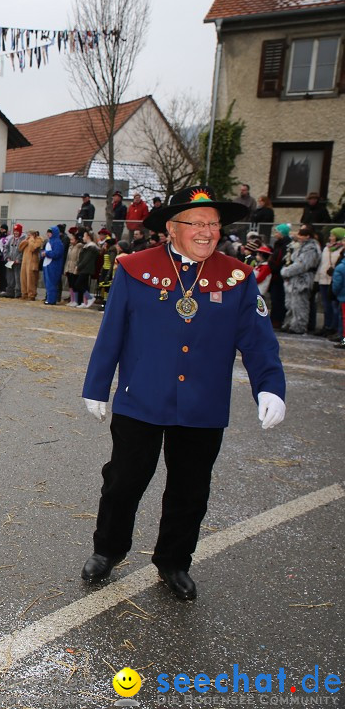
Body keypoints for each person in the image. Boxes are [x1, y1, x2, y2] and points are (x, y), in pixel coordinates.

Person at [80, 185, 286, 601]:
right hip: (142, 397)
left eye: (213, 223)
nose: (208, 231)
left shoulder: (238, 276)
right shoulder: (135, 268)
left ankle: (174, 561)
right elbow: (112, 332)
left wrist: (270, 388)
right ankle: (108, 549)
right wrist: (97, 385)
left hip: (203, 405)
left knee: (190, 489)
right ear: (172, 229)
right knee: (123, 481)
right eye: (198, 223)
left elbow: (259, 341)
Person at [279, 224, 320, 334]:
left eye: (301, 235)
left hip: (303, 279)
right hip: (294, 279)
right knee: (291, 304)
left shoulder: (311, 248)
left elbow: (302, 265)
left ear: (307, 236)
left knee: (300, 304)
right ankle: (290, 323)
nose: (299, 237)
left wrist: (286, 271)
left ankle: (299, 326)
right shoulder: (300, 246)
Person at [317, 227, 344, 337]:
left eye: (332, 236)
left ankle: (335, 328)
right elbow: (322, 263)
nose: (330, 238)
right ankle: (327, 326)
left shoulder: (340, 249)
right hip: (323, 278)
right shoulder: (326, 248)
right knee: (325, 305)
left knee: (335, 307)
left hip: (334, 279)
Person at [268, 223, 291, 328]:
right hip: (275, 275)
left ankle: (278, 320)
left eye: (277, 232)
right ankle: (274, 319)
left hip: (279, 276)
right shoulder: (278, 244)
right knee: (274, 299)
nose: (275, 234)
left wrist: (273, 266)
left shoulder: (285, 245)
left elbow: (282, 260)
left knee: (279, 299)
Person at [41, 226, 66, 305]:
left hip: (53, 265)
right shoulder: (49, 241)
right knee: (47, 283)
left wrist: (46, 253)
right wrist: (42, 253)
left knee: (51, 283)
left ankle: (51, 300)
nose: (48, 234)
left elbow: (57, 253)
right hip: (47, 264)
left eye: (50, 233)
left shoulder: (57, 242)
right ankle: (48, 298)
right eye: (48, 232)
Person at [75, 229, 100, 308]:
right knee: (84, 285)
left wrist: (79, 267)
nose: (83, 238)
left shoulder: (91, 247)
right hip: (84, 268)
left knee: (78, 284)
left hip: (86, 268)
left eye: (84, 236)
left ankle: (90, 298)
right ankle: (85, 302)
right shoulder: (87, 246)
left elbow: (86, 259)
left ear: (88, 237)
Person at [18, 229, 44, 300]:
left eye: (30, 235)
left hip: (32, 262)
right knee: (23, 278)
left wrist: (31, 240)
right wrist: (25, 241)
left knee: (31, 279)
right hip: (25, 261)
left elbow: (33, 248)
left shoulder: (39, 240)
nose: (28, 236)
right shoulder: (27, 240)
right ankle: (24, 293)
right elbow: (20, 248)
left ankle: (31, 295)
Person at [2, 223, 22, 298]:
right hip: (10, 261)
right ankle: (10, 292)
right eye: (15, 231)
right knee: (9, 277)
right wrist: (7, 257)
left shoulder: (22, 240)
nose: (16, 232)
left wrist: (19, 259)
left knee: (17, 278)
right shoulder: (11, 239)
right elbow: (6, 248)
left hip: (17, 263)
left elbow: (22, 251)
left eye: (17, 231)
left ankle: (18, 292)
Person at [63, 227, 82, 306]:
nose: (71, 241)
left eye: (72, 240)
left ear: (76, 240)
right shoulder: (70, 247)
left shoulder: (79, 247)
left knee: (75, 285)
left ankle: (76, 300)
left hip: (75, 267)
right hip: (69, 267)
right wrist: (66, 269)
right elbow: (68, 259)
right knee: (70, 285)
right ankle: (72, 299)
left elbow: (78, 258)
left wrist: (76, 268)